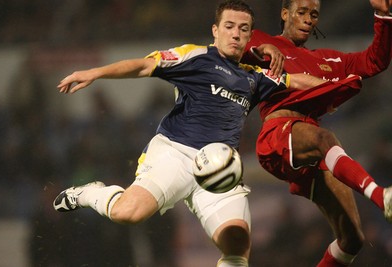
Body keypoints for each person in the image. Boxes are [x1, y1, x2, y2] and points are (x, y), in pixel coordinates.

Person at [52, 1, 348, 266]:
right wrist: (94, 73)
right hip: (176, 154)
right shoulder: (194, 57)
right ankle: (89, 192)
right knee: (128, 213)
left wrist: (337, 87)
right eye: (229, 26)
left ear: (249, 37)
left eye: (243, 29)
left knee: (237, 248)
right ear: (215, 30)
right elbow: (143, 66)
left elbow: (295, 80)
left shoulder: (254, 77)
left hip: (221, 170)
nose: (235, 33)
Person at [241, 0, 392, 266]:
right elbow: (235, 47)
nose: (309, 19)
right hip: (278, 135)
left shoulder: (327, 59)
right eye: (301, 12)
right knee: (325, 138)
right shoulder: (262, 40)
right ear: (285, 14)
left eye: (314, 15)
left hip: (311, 148)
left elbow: (374, 61)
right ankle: (381, 196)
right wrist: (261, 48)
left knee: (352, 239)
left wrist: (382, 15)